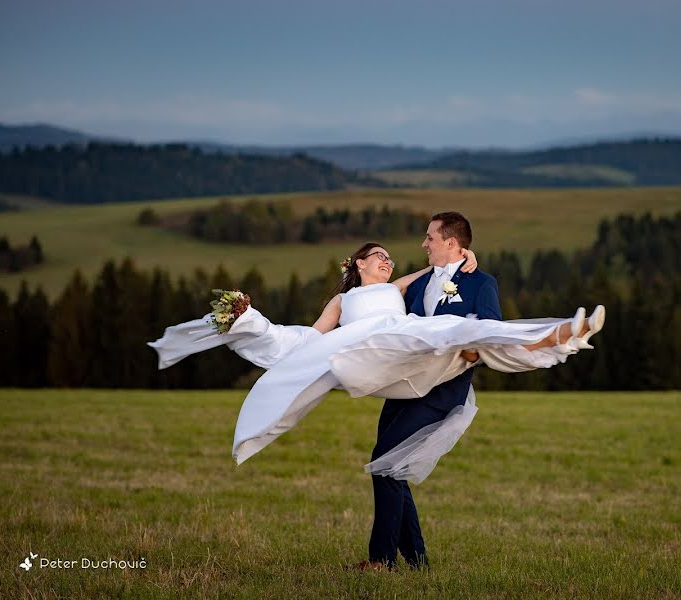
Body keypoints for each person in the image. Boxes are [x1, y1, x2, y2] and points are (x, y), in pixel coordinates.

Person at [148, 211, 604, 570]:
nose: (400, 254)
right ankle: (413, 561)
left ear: (449, 241)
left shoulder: (433, 284)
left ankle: (562, 333)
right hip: (383, 360)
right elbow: (312, 336)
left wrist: (467, 265)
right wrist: (250, 320)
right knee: (389, 464)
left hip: (418, 354)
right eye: (379, 255)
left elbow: (466, 302)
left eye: (427, 238)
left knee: (454, 338)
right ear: (358, 264)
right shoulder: (358, 297)